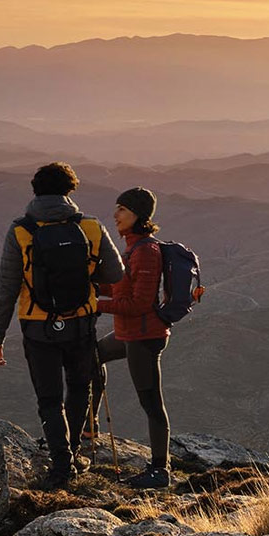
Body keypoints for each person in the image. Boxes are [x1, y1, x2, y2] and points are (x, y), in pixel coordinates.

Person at [0, 163, 124, 489]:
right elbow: (116, 273)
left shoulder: (21, 231)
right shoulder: (90, 226)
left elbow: (7, 287)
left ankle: (61, 465)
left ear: (35, 190)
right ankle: (75, 453)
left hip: (38, 327)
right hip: (81, 323)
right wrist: (85, 276)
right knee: (79, 389)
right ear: (70, 190)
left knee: (49, 398)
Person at [92, 187, 174, 489]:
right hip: (130, 334)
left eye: (122, 210)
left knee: (151, 402)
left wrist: (96, 305)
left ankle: (159, 470)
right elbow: (122, 290)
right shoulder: (132, 247)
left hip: (144, 337)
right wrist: (95, 289)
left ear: (138, 215)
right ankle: (90, 427)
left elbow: (139, 304)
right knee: (93, 355)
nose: (115, 215)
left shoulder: (146, 252)